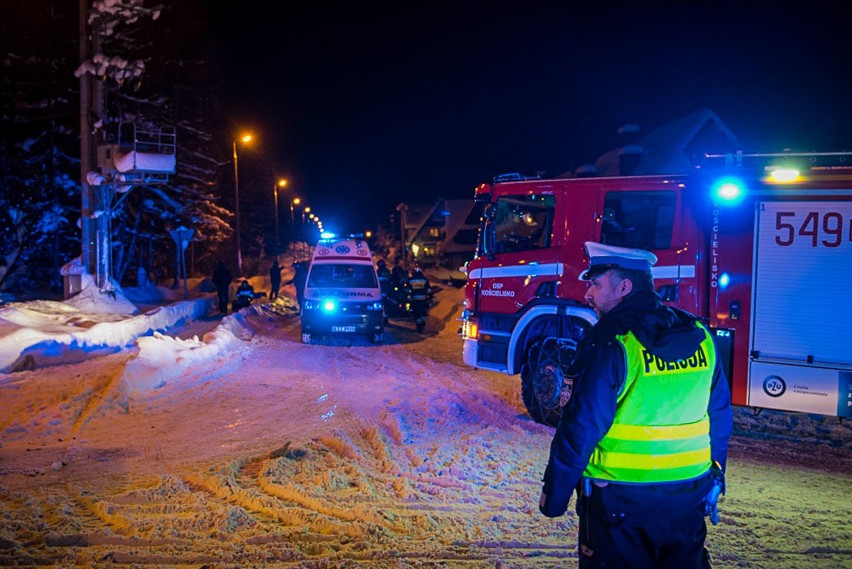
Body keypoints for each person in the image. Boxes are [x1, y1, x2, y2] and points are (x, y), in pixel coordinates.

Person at [538, 241, 732, 569]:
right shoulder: (700, 334)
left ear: (624, 287)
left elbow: (581, 428)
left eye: (596, 285)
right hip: (688, 497)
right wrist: (716, 472)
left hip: (619, 503)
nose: (587, 295)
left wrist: (554, 496)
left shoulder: (611, 342)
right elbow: (720, 415)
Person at [406, 266, 431, 332]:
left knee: (417, 313)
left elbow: (407, 290)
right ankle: (422, 325)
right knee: (422, 312)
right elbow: (428, 290)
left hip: (415, 300)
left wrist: (408, 298)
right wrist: (430, 297)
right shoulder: (424, 279)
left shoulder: (411, 280)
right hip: (423, 299)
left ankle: (419, 326)